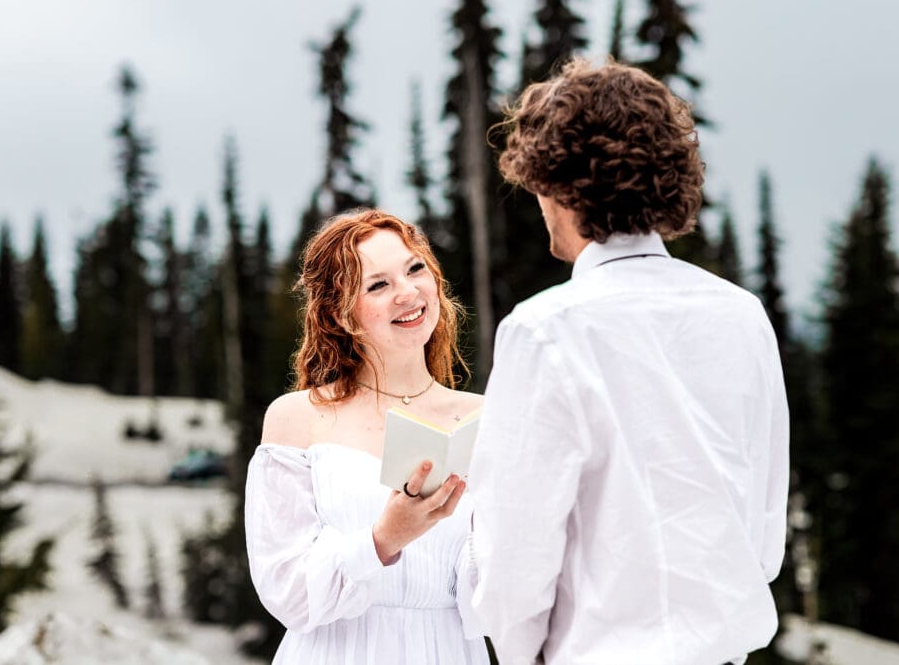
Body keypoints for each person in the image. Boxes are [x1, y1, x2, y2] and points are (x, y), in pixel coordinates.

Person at [467, 58, 790, 664]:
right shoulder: (742, 315)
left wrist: (520, 654)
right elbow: (763, 524)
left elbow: (514, 554)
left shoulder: (543, 332)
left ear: (559, 184)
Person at [244, 209, 489, 664]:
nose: (408, 292)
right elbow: (287, 593)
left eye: (415, 269)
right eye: (378, 285)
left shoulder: (485, 417)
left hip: (447, 650)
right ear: (340, 314)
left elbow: (501, 597)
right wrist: (382, 539)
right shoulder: (299, 418)